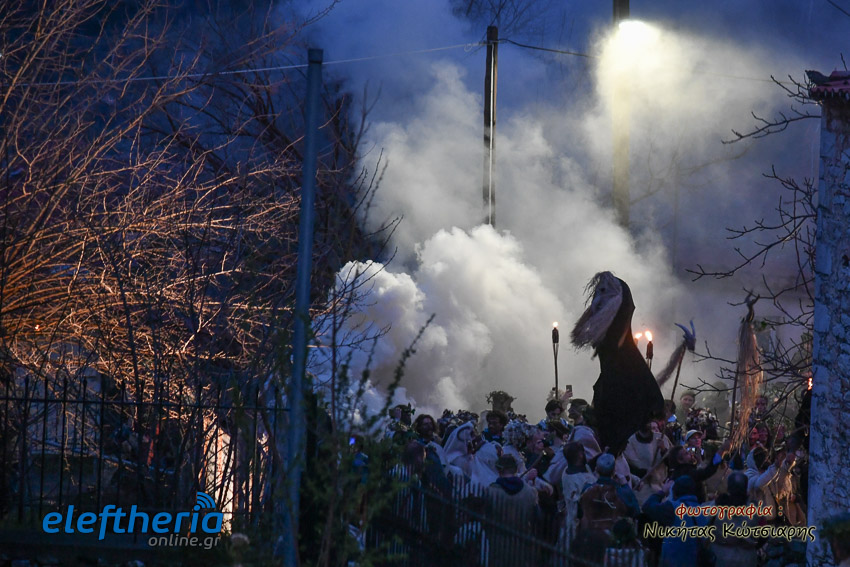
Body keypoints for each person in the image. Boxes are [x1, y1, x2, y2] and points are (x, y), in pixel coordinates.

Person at [643, 475, 712, 567]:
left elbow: (647, 507)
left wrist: (662, 491)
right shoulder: (703, 511)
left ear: (674, 491)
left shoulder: (672, 508)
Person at [487, 454, 540, 567]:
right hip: (521, 543)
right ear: (516, 469)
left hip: (498, 543)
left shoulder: (491, 491)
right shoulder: (530, 492)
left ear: (499, 470)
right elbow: (537, 518)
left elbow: (485, 518)